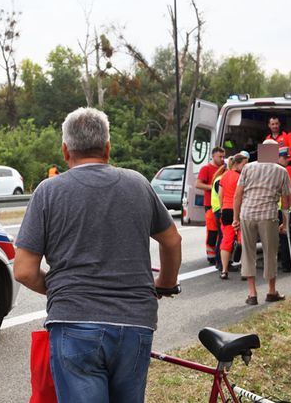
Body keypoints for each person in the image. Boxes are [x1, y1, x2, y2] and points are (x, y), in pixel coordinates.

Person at [13, 107, 182, 403]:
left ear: (66, 151)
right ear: (107, 148)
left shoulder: (48, 192)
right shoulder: (138, 184)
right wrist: (165, 283)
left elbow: (24, 271)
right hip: (135, 323)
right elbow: (171, 240)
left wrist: (63, 290)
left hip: (74, 323)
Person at [233, 141, 291, 305]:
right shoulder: (281, 171)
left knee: (249, 253)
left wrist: (235, 218)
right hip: (268, 215)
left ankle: (252, 295)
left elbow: (238, 194)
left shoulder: (248, 167)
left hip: (248, 214)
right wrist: (285, 222)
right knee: (270, 253)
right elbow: (285, 200)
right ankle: (271, 291)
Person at [218, 153, 248, 279]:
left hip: (226, 210)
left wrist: (222, 207)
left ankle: (224, 270)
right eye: (244, 164)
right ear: (237, 163)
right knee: (243, 239)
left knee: (226, 240)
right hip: (239, 210)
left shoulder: (224, 175)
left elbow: (220, 194)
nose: (246, 167)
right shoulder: (241, 177)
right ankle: (243, 270)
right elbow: (242, 195)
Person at [196, 146, 225, 264]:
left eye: (223, 156)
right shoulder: (206, 168)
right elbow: (198, 184)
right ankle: (211, 255)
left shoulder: (224, 169)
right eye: (220, 156)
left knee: (220, 231)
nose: (222, 159)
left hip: (221, 205)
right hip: (210, 205)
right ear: (213, 156)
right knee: (212, 231)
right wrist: (213, 188)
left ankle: (217, 253)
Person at [277, 146, 291, 273]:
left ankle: (286, 264)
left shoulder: (285, 170)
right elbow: (287, 192)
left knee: (283, 237)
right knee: (284, 236)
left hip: (280, 208)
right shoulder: (282, 171)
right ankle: (286, 264)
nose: (286, 160)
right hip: (281, 208)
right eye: (284, 158)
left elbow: (288, 192)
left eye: (287, 158)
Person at [210, 163, 227, 271]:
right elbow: (223, 195)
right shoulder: (220, 180)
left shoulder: (220, 178)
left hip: (220, 210)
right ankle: (220, 262)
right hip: (220, 210)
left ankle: (221, 262)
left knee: (223, 237)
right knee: (222, 237)